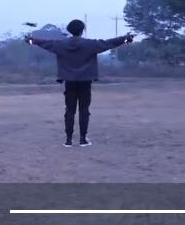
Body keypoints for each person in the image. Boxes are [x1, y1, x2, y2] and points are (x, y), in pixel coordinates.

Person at [25, 19, 133, 147]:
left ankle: (68, 140)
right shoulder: (90, 44)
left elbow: (45, 43)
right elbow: (108, 43)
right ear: (82, 30)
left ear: (69, 30)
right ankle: (83, 139)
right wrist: (125, 39)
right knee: (84, 109)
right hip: (85, 80)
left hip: (69, 81)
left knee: (70, 110)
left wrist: (32, 40)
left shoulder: (60, 44)